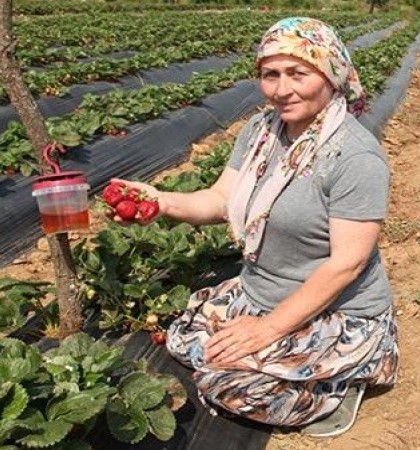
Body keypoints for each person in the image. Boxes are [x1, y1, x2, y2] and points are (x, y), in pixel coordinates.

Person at [114, 16, 398, 437]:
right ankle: (294, 364)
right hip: (260, 292)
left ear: (331, 73)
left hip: (337, 311)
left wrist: (266, 329)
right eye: (270, 75)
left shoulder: (354, 157)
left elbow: (347, 265)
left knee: (227, 385)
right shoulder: (262, 131)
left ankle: (340, 384)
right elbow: (221, 199)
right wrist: (161, 201)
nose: (282, 89)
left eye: (298, 73)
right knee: (185, 340)